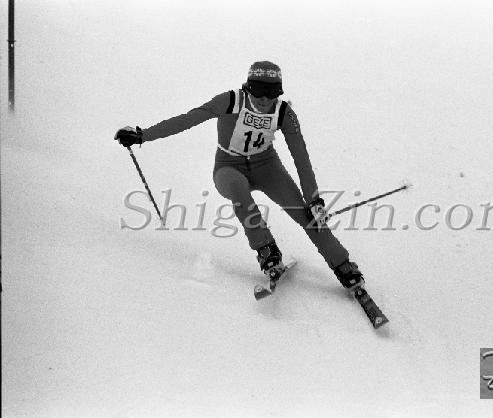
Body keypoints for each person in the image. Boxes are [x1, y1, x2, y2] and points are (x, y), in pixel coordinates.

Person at [115, 61, 365, 291]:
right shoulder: (230, 101)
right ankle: (267, 251)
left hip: (267, 167)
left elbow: (301, 157)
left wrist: (314, 199)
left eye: (272, 93)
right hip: (228, 166)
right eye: (259, 92)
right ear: (248, 88)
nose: (265, 99)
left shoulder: (284, 113)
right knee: (239, 191)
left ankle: (342, 264)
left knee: (308, 215)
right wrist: (143, 135)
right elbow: (187, 120)